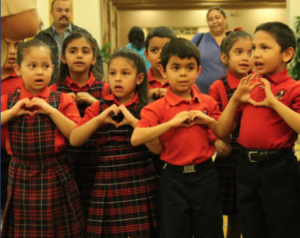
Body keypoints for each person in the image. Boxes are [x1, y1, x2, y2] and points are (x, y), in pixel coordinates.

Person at [131, 38, 227, 238]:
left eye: (189, 67)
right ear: (163, 71)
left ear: (198, 71)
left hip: (206, 176)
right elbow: (136, 137)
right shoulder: (155, 107)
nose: (183, 73)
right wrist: (171, 123)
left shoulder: (208, 102)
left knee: (211, 231)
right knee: (173, 232)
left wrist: (207, 120)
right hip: (172, 180)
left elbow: (221, 133)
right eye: (175, 67)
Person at [215, 22, 300, 238]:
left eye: (265, 47)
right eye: (254, 48)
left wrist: (274, 103)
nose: (255, 54)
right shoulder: (249, 84)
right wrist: (235, 99)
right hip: (245, 167)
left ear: (287, 54)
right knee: (251, 227)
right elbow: (222, 131)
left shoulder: (294, 88)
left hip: (279, 168)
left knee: (283, 227)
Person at [69, 47, 159, 238]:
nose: (117, 78)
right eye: (112, 73)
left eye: (125, 73)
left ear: (139, 78)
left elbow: (158, 148)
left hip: (140, 180)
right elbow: (75, 139)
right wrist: (98, 119)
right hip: (107, 181)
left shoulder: (148, 108)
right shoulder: (98, 107)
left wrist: (134, 122)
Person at [0, 39, 86, 237]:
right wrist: (12, 112)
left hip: (54, 173)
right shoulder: (9, 101)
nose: (40, 72)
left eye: (45, 66)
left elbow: (74, 134)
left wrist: (50, 111)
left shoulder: (63, 99)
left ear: (53, 69)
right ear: (18, 69)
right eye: (32, 66)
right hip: (20, 175)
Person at [49, 31, 110, 215]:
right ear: (63, 58)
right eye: (73, 51)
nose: (79, 55)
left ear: (93, 58)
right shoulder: (54, 90)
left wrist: (96, 102)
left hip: (98, 162)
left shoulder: (105, 88)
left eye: (85, 51)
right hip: (66, 161)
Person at [208, 30, 253, 238]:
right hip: (231, 155)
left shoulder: (260, 84)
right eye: (239, 52)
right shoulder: (218, 86)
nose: (246, 57)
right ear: (225, 57)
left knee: (248, 212)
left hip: (253, 154)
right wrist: (216, 141)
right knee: (229, 211)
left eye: (251, 51)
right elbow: (213, 123)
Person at [34, 0, 103, 85]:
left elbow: (98, 60)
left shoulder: (83, 35)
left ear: (71, 13)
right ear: (51, 13)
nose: (63, 14)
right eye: (59, 10)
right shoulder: (41, 38)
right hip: (49, 88)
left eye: (67, 10)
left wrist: (95, 85)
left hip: (80, 87)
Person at [1, 37, 24, 224]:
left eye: (17, 45)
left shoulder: (26, 78)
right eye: (6, 45)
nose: (12, 51)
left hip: (13, 157)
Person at [191, 6, 228, 94]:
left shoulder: (233, 39)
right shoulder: (198, 38)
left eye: (217, 17)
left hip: (228, 92)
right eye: (210, 19)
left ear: (225, 19)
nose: (214, 21)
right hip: (201, 92)